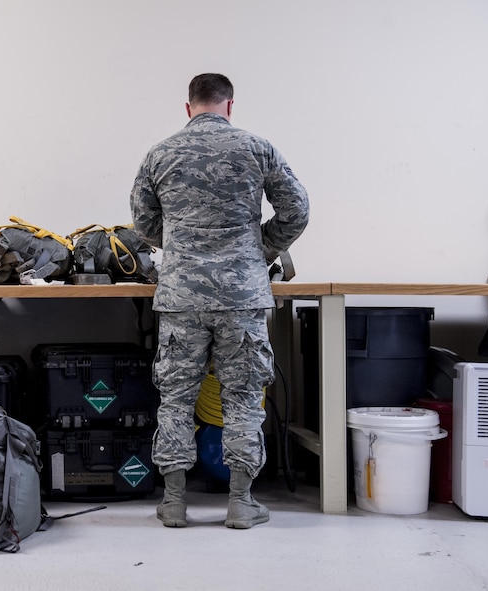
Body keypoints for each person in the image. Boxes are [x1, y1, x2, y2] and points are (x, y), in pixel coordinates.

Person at [130, 73, 309, 529]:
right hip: (241, 296)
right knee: (245, 397)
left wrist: (183, 247)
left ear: (187, 107)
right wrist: (259, 248)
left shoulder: (160, 153)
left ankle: (173, 502)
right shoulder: (257, 148)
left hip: (181, 297)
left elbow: (145, 223)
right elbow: (297, 210)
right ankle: (240, 503)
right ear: (230, 105)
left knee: (175, 399)